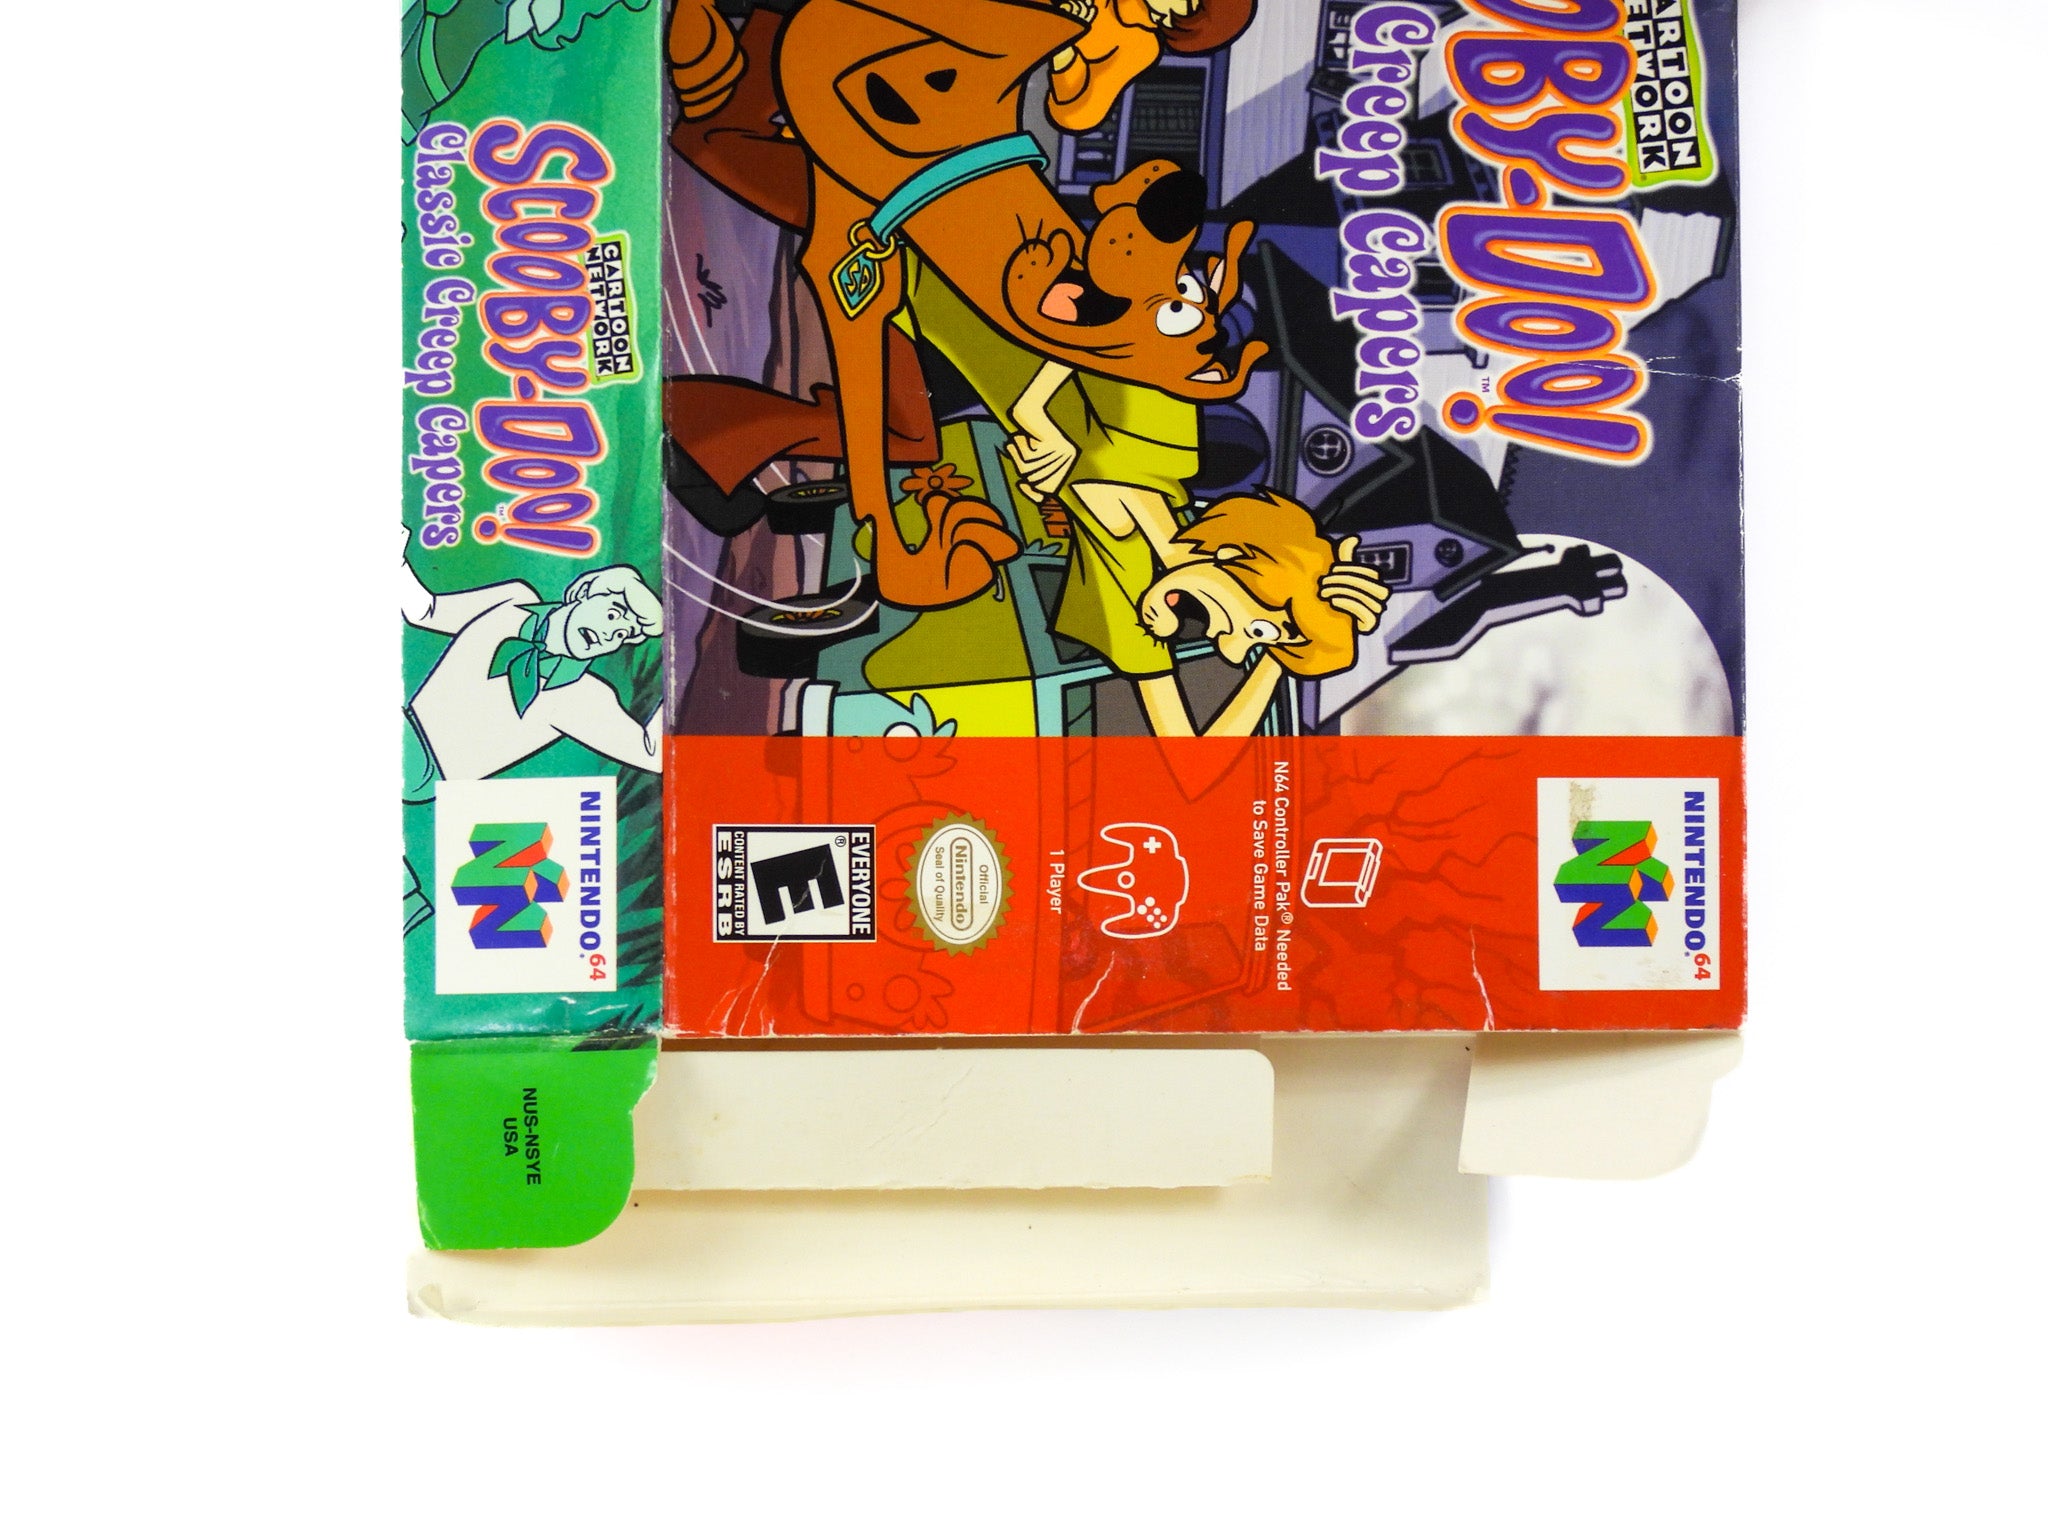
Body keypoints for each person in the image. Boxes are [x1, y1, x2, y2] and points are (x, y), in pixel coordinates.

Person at [401, 548, 663, 799]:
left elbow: (651, 753)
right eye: (612, 615)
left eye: (622, 634)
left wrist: (683, 666)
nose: (609, 634)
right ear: (584, 592)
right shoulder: (515, 600)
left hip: (421, 771)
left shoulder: (585, 696)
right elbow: (426, 611)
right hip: (404, 722)